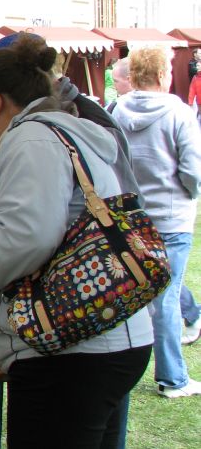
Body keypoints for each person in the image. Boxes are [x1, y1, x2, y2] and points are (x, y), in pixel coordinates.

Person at [0, 34, 153, 448]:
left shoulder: (32, 139)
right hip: (94, 339)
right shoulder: (50, 133)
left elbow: (28, 235)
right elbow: (12, 216)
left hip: (68, 349)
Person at [110, 45, 201, 399]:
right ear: (163, 75)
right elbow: (192, 169)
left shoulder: (116, 110)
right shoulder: (178, 112)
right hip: (171, 217)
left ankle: (125, 371)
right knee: (166, 299)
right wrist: (190, 193)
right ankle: (173, 377)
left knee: (128, 294)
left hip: (132, 215)